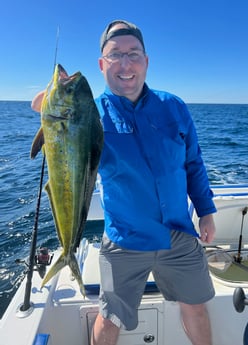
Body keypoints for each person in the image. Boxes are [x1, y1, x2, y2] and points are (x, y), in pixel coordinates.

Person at [32, 19, 216, 345]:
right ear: (102, 64)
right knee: (110, 317)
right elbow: (71, 156)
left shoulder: (174, 107)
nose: (126, 63)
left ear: (146, 61)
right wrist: (53, 116)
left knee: (197, 309)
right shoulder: (89, 112)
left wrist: (206, 210)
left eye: (134, 54)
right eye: (116, 55)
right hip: (124, 239)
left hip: (179, 234)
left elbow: (193, 163)